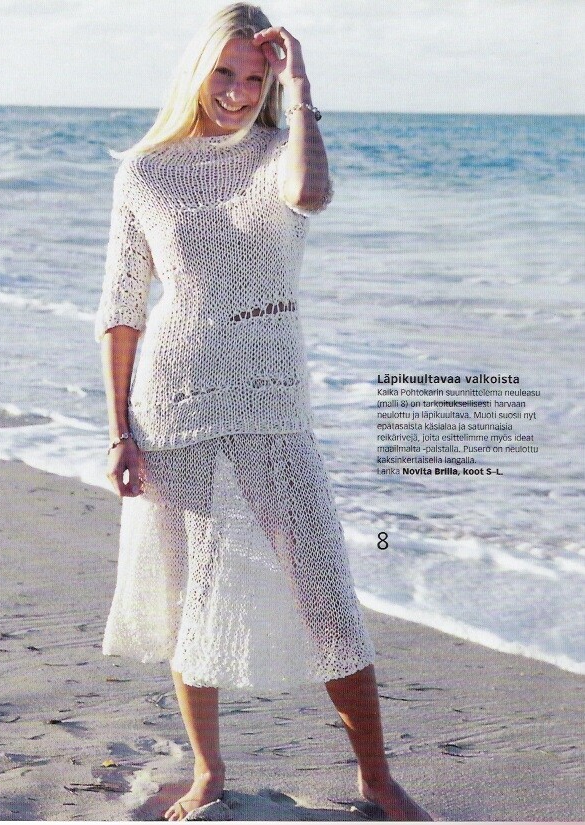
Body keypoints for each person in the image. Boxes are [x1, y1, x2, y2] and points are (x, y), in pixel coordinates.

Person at [96, 4, 432, 821]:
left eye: (255, 77)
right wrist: (119, 431)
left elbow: (311, 195)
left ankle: (377, 778)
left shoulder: (282, 152)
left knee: (323, 589)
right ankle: (208, 770)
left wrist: (303, 84)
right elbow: (122, 306)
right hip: (173, 399)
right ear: (197, 69)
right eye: (225, 72)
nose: (238, 92)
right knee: (190, 594)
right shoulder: (144, 170)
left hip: (274, 401)